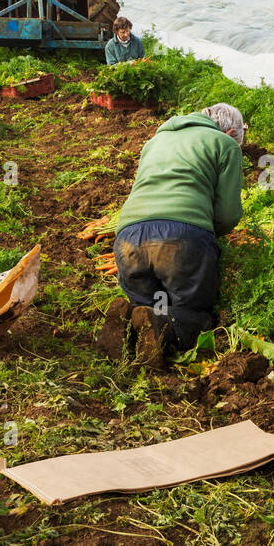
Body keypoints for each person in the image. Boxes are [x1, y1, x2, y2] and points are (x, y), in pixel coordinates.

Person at [97, 103, 245, 367]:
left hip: (129, 237)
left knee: (148, 306)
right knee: (194, 313)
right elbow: (228, 214)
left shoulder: (156, 140)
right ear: (231, 131)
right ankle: (167, 332)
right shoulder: (225, 144)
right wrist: (208, 239)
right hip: (181, 238)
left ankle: (127, 326)